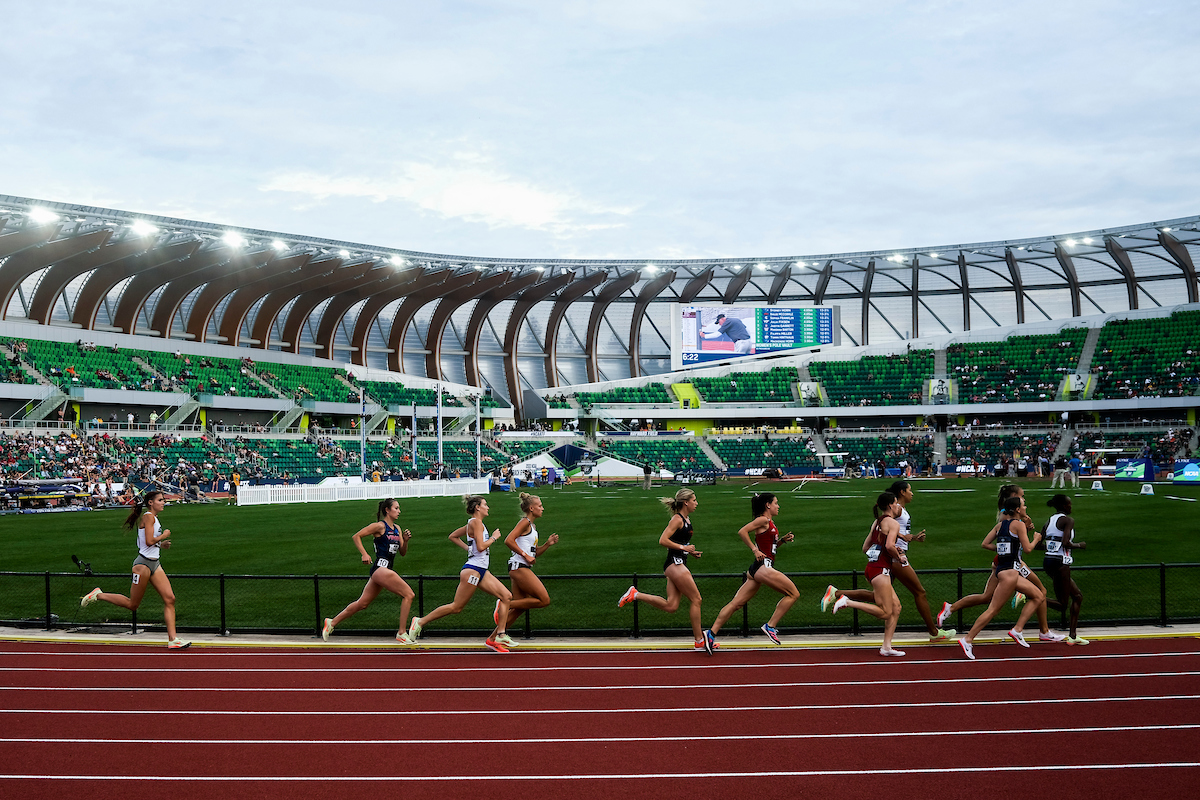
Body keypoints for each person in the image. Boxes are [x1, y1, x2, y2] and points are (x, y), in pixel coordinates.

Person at [821, 480, 954, 641]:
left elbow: (889, 530)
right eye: (910, 490)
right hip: (894, 559)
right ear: (901, 493)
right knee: (919, 592)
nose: (912, 493)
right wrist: (899, 554)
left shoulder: (896, 512)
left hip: (885, 559)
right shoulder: (896, 512)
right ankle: (934, 632)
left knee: (878, 597)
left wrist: (909, 538)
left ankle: (838, 593)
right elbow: (888, 529)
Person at [80, 490, 190, 649]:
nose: (163, 502)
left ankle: (173, 639)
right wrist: (164, 536)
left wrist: (161, 545)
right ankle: (98, 595)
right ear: (151, 503)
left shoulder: (153, 518)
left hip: (155, 563)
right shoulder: (148, 517)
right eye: (160, 500)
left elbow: (146, 541)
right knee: (133, 605)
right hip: (143, 565)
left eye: (163, 500)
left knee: (170, 599)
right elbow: (149, 540)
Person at [404, 495, 515, 652]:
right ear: (477, 507)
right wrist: (494, 538)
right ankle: (420, 621)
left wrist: (469, 549)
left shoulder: (473, 523)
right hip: (473, 570)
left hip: (481, 570)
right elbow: (482, 546)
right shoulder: (476, 522)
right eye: (485, 504)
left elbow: (453, 536)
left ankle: (500, 635)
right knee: (456, 607)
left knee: (506, 596)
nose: (488, 507)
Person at [617, 488, 710, 654]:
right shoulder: (677, 519)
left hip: (678, 562)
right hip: (674, 564)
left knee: (671, 606)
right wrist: (684, 548)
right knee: (696, 599)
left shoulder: (686, 519)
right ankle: (699, 640)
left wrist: (690, 551)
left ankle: (635, 594)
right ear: (686, 502)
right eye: (694, 500)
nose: (697, 503)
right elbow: (663, 540)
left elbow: (678, 541)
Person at [704, 492, 798, 648]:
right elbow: (742, 531)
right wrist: (754, 549)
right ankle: (771, 626)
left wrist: (782, 541)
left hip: (757, 569)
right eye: (776, 503)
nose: (778, 506)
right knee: (793, 594)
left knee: (736, 604)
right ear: (767, 505)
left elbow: (770, 549)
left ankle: (711, 633)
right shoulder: (763, 520)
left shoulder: (769, 523)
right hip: (763, 567)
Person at [957, 495, 1047, 660]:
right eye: (1023, 505)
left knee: (1038, 595)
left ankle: (1017, 630)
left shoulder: (1000, 525)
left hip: (1003, 570)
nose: (1026, 507)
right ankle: (967, 639)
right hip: (1010, 574)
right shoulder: (1019, 525)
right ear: (1017, 510)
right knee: (992, 610)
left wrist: (1003, 549)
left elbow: (985, 544)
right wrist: (1036, 539)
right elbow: (1027, 549)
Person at [322, 498, 416, 643]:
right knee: (409, 594)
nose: (399, 511)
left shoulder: (397, 528)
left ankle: (332, 622)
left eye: (399, 508)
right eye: (396, 508)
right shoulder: (379, 526)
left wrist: (405, 540)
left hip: (385, 570)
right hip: (380, 568)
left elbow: (402, 552)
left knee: (362, 604)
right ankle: (402, 632)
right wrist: (364, 554)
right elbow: (357, 536)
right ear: (387, 510)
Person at [825, 491, 906, 656]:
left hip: (872, 569)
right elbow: (890, 546)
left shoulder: (877, 522)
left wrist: (887, 550)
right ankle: (847, 602)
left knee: (896, 607)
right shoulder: (893, 523)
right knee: (885, 612)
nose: (898, 506)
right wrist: (899, 556)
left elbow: (865, 548)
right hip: (881, 571)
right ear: (891, 505)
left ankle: (886, 647)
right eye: (896, 503)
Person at [498, 493, 560, 631]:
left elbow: (535, 553)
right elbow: (508, 540)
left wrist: (547, 544)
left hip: (521, 566)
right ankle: (505, 604)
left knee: (522, 607)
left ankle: (495, 637)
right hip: (519, 566)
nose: (542, 508)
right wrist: (525, 555)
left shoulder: (533, 528)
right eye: (540, 506)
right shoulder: (524, 522)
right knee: (544, 600)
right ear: (531, 508)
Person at [1039, 494, 1088, 645]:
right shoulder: (1068, 520)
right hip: (1061, 564)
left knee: (1077, 596)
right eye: (1069, 504)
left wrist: (1052, 548)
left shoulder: (1049, 521)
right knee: (1062, 605)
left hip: (1048, 561)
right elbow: (1067, 543)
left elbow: (1037, 544)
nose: (1070, 507)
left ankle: (1072, 636)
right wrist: (1080, 545)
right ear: (1063, 506)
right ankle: (1029, 597)